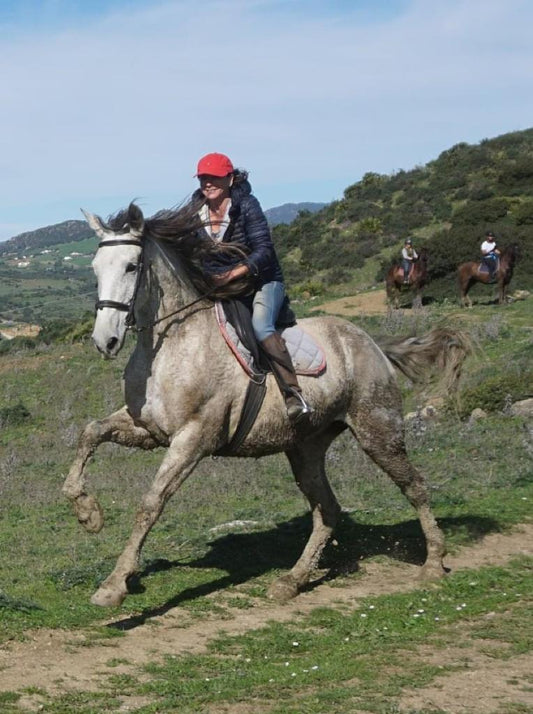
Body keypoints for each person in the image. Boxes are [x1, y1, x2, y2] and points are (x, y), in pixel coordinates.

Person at [190, 152, 312, 421]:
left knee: (260, 326)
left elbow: (264, 251)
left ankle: (294, 395)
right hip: (223, 285)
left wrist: (232, 274)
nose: (207, 183)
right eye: (203, 178)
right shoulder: (196, 210)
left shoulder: (247, 205)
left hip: (262, 281)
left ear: (230, 179)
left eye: (214, 178)